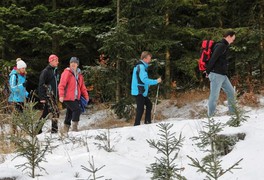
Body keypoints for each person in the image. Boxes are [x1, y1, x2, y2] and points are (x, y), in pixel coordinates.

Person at [206, 30, 236, 117]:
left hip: (223, 75)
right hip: (216, 74)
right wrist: (207, 71)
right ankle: (210, 117)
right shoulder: (221, 46)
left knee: (231, 92)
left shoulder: (224, 46)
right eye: (233, 39)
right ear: (229, 36)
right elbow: (213, 59)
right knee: (214, 96)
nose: (233, 41)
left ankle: (233, 113)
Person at [58, 57, 89, 133]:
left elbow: (82, 87)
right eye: (72, 63)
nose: (73, 64)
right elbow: (61, 85)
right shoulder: (67, 73)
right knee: (77, 110)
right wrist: (61, 95)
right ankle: (74, 129)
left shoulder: (79, 75)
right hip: (68, 97)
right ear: (70, 64)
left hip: (76, 98)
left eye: (75, 63)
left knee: (69, 113)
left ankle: (65, 130)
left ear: (77, 64)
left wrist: (86, 96)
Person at [131, 51, 162, 126]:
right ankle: (137, 125)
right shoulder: (141, 67)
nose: (150, 60)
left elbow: (140, 79)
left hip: (140, 90)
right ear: (144, 58)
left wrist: (146, 85)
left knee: (148, 104)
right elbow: (144, 79)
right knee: (140, 108)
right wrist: (156, 81)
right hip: (139, 91)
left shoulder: (141, 66)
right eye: (149, 58)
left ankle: (147, 122)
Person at [37, 54, 60, 134]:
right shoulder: (46, 71)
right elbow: (41, 84)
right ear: (51, 61)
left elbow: (57, 83)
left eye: (57, 60)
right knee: (54, 112)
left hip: (54, 96)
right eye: (56, 61)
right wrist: (42, 97)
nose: (58, 62)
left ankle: (38, 129)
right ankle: (54, 130)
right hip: (48, 96)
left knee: (48, 113)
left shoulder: (56, 70)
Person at [8, 58, 28, 133]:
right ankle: (13, 132)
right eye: (23, 68)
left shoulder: (23, 76)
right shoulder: (14, 76)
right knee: (15, 117)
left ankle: (26, 132)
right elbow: (12, 88)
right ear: (19, 68)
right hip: (15, 99)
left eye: (25, 68)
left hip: (22, 99)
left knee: (25, 116)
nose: (24, 69)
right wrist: (22, 85)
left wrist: (27, 94)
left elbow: (23, 89)